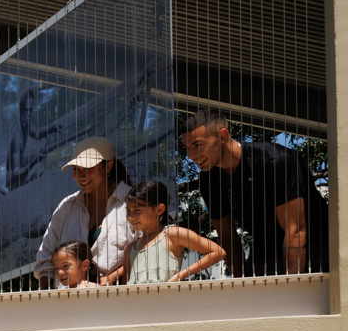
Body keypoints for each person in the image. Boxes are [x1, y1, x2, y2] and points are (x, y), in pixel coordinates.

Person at [182, 108, 328, 277]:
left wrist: (292, 287)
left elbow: (295, 231)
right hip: (263, 254)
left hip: (314, 249)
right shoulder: (209, 179)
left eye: (197, 145)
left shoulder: (275, 160)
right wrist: (239, 285)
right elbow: (227, 237)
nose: (191, 155)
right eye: (187, 148)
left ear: (222, 136)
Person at [35, 137, 134, 286]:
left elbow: (145, 251)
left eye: (88, 168)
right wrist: (48, 303)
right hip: (68, 304)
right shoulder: (66, 207)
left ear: (108, 166)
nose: (81, 176)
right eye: (76, 169)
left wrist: (112, 277)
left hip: (118, 302)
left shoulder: (134, 202)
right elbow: (45, 262)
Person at [121, 180, 227, 286]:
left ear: (159, 209)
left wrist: (181, 275)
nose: (130, 217)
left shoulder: (173, 234)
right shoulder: (130, 248)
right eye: (128, 211)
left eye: (137, 210)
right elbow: (125, 287)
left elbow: (218, 252)